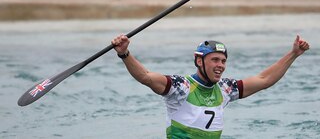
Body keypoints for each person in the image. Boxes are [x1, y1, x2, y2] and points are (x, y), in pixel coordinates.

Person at [112, 34, 309, 139]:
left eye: (223, 61)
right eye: (215, 60)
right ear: (199, 62)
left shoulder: (226, 89)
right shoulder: (181, 87)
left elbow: (264, 80)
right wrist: (124, 54)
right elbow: (146, 77)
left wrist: (293, 54)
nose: (220, 65)